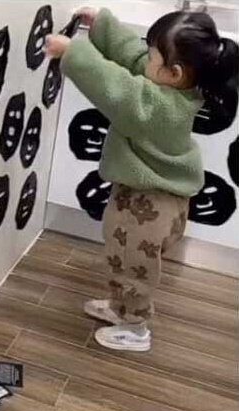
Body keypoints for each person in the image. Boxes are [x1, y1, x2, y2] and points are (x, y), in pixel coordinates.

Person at [44, 7, 239, 351]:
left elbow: (116, 87)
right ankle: (122, 308)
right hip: (151, 194)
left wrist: (73, 53)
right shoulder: (175, 87)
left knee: (134, 265)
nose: (144, 60)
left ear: (173, 72)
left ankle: (135, 328)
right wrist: (102, 25)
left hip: (150, 205)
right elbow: (133, 58)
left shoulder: (159, 107)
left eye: (153, 57)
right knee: (122, 256)